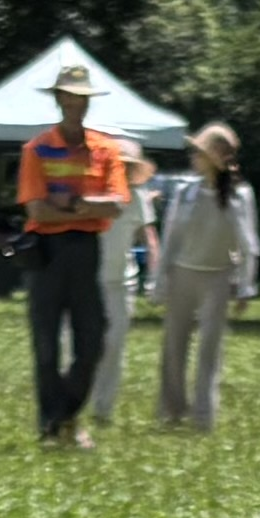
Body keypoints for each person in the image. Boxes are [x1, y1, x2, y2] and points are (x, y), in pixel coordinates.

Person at [17, 63, 142, 447]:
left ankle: (65, 414)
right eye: (69, 96)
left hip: (87, 251)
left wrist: (70, 201)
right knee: (46, 344)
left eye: (82, 98)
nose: (75, 104)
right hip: (46, 254)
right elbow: (36, 211)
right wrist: (88, 207)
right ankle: (52, 425)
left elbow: (117, 205)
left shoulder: (106, 151)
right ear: (58, 100)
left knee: (93, 340)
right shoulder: (36, 149)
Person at [154, 122, 260, 429]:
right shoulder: (185, 192)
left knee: (209, 351)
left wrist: (245, 286)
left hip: (218, 278)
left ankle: (203, 416)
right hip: (183, 276)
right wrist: (161, 281)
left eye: (200, 152)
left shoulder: (241, 196)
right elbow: (170, 240)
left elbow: (248, 244)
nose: (194, 157)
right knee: (174, 348)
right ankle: (172, 410)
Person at [88, 137, 155, 434]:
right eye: (119, 165)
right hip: (86, 281)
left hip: (120, 284)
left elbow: (149, 239)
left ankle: (103, 409)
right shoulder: (91, 193)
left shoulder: (138, 199)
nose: (123, 171)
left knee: (113, 347)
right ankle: (76, 403)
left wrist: (155, 278)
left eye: (128, 167)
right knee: (80, 347)